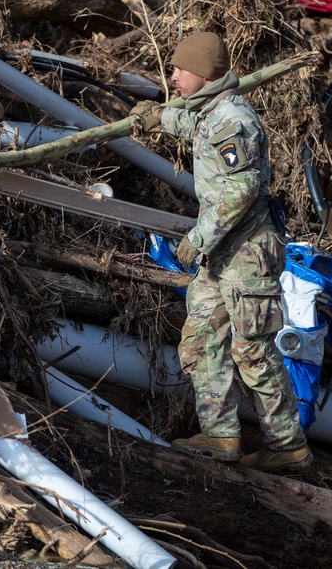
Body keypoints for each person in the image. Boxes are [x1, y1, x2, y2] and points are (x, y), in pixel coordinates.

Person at [129, 31, 311, 473]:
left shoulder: (233, 118)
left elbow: (242, 189)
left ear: (203, 73)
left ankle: (287, 446)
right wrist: (155, 119)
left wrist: (198, 239)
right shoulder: (210, 112)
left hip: (246, 254)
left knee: (252, 350)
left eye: (178, 68)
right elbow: (192, 125)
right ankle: (220, 435)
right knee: (201, 337)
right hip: (223, 256)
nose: (171, 75)